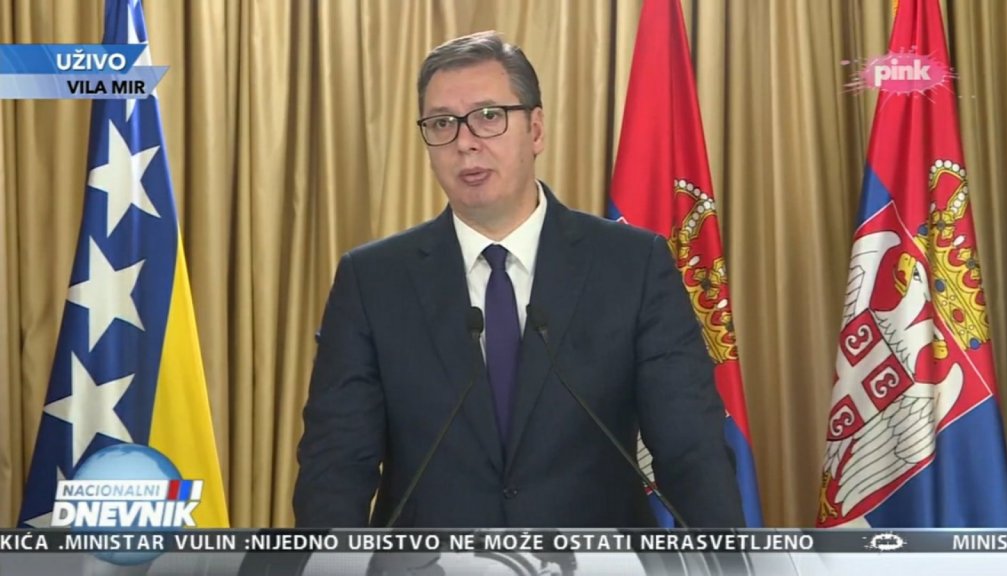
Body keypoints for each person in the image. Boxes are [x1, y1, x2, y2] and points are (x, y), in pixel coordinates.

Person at [293, 31, 744, 528]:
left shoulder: (632, 266)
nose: (465, 142)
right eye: (442, 123)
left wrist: (723, 557)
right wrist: (331, 560)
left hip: (596, 559)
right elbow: (335, 467)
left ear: (536, 130)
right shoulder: (373, 281)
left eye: (488, 116)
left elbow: (691, 451)